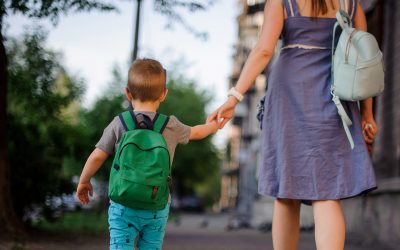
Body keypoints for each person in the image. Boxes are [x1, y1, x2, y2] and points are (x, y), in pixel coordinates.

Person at [209, 0, 377, 249]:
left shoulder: (281, 2)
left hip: (289, 96)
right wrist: (367, 114)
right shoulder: (351, 5)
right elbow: (365, 63)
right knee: (327, 194)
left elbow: (264, 50)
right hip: (336, 99)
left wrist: (235, 95)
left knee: (287, 192)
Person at [76, 58, 219, 250]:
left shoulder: (119, 123)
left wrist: (84, 181)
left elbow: (97, 156)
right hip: (156, 205)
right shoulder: (170, 126)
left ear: (127, 93)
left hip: (122, 204)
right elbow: (198, 132)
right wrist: (215, 124)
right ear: (163, 94)